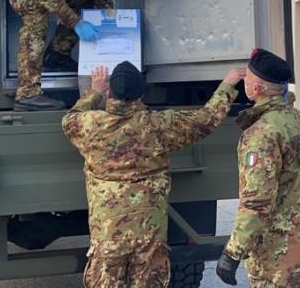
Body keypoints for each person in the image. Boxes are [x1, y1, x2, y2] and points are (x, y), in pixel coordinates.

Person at [63, 61, 245, 287]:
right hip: (148, 238)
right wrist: (227, 85)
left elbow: (70, 119)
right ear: (141, 93)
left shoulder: (91, 125)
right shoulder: (159, 125)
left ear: (110, 91)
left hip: (108, 238)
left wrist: (94, 92)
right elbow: (205, 120)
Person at [216, 49, 300, 288]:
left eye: (246, 78)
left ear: (256, 89)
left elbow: (257, 201)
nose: (243, 82)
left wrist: (233, 251)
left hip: (277, 252)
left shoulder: (262, 133)